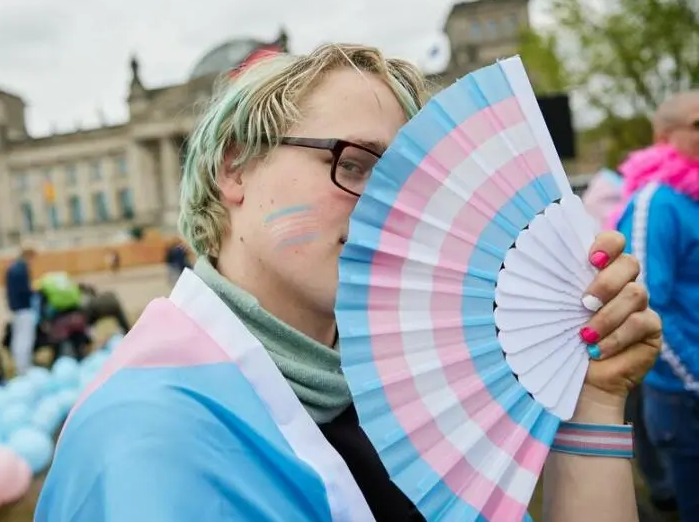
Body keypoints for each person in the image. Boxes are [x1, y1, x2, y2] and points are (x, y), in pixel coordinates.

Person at [37, 44, 661, 521]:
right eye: (355, 164)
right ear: (235, 169)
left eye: (409, 181)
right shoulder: (149, 446)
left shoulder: (402, 392)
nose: (391, 209)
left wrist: (594, 403)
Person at [613, 90, 699, 520]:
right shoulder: (657, 201)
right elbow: (643, 306)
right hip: (685, 396)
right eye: (698, 125)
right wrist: (695, 378)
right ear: (664, 136)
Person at [5, 245, 37, 374]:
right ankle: (24, 367)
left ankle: (20, 366)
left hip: (15, 308)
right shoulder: (21, 269)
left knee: (17, 339)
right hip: (24, 308)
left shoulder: (12, 268)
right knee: (25, 339)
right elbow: (25, 290)